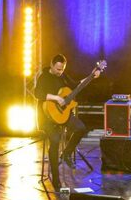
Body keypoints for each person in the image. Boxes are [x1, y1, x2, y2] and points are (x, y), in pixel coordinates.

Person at [34, 53, 100, 191]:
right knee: (55, 141)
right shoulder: (44, 77)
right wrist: (56, 98)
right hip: (47, 118)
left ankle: (67, 153)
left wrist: (91, 77)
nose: (60, 72)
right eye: (58, 69)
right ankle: (56, 180)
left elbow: (75, 85)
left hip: (63, 115)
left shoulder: (63, 76)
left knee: (81, 128)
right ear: (52, 65)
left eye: (62, 69)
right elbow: (38, 94)